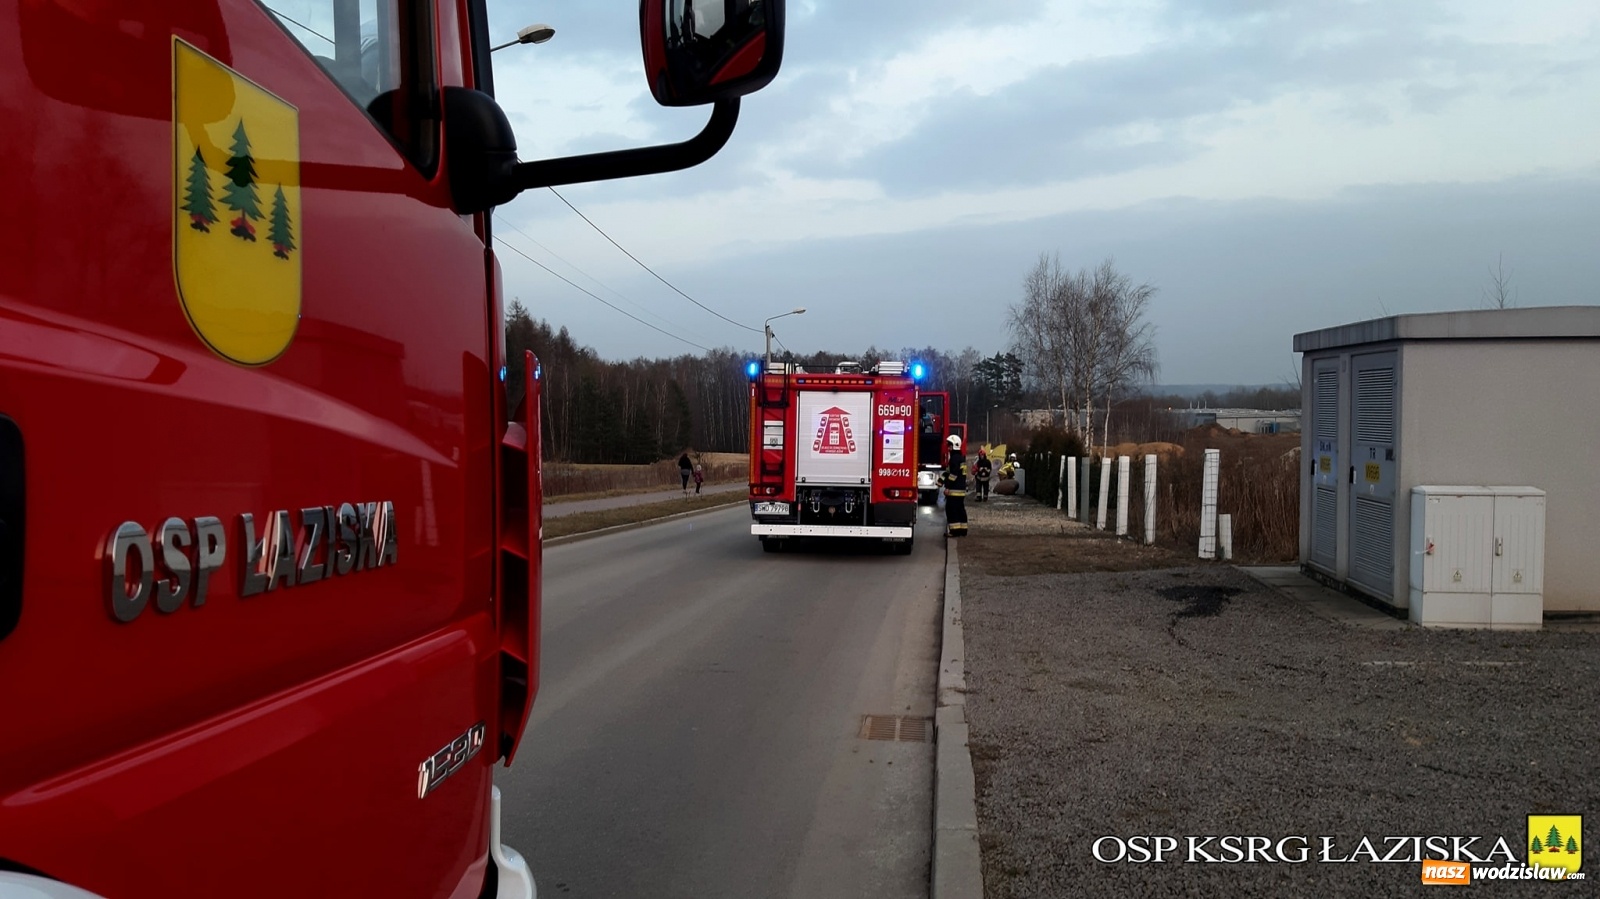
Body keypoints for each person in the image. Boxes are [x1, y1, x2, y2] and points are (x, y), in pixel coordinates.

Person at [941, 434, 968, 537]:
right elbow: (949, 472)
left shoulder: (954, 459)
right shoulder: (960, 458)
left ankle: (954, 531)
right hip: (961, 490)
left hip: (954, 490)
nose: (948, 448)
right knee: (960, 510)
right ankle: (963, 530)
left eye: (950, 445)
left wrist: (947, 487)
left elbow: (953, 475)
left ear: (955, 445)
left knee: (951, 510)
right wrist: (940, 481)